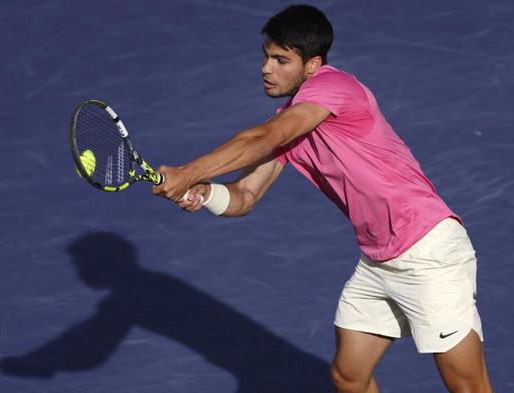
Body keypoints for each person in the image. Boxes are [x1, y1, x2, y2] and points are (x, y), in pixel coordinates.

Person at [152, 4, 494, 393]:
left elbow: (262, 139)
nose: (267, 68)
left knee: (467, 386)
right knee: (348, 377)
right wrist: (204, 193)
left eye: (282, 60)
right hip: (380, 258)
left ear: (313, 64)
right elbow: (245, 196)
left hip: (429, 250)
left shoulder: (335, 87)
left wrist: (189, 172)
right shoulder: (290, 120)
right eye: (266, 56)